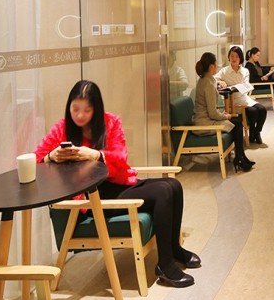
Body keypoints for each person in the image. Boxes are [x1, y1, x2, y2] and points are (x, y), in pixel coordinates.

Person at [34, 80, 200, 288]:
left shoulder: (110, 123)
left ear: (96, 109)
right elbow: (35, 160)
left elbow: (121, 157)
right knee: (163, 192)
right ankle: (165, 264)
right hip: (92, 196)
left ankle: (174, 250)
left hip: (117, 184)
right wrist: (51, 156)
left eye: (87, 110)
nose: (80, 115)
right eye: (75, 109)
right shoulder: (61, 129)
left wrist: (96, 155)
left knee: (173, 186)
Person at [194, 52, 254, 172]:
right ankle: (239, 158)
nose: (217, 66)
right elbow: (212, 113)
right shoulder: (208, 84)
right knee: (237, 124)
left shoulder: (206, 80)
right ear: (212, 66)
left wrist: (224, 115)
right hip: (205, 123)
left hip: (208, 119)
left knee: (237, 122)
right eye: (216, 63)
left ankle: (240, 157)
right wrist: (226, 116)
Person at [216, 46, 268, 144]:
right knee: (253, 111)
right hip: (232, 101)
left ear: (240, 58)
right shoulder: (224, 71)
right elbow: (213, 79)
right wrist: (219, 81)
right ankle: (252, 134)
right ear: (229, 57)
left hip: (244, 98)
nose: (234, 59)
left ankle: (256, 132)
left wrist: (240, 87)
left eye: (237, 56)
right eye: (232, 56)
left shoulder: (245, 71)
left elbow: (246, 85)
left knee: (262, 110)